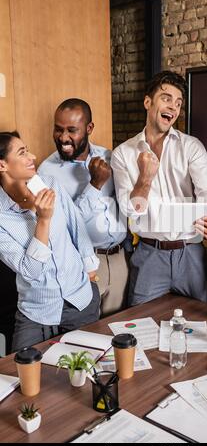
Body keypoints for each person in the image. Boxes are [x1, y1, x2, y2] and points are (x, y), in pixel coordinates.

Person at [111, 70, 207, 306]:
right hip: (149, 254)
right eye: (166, 98)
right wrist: (145, 178)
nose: (173, 107)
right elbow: (131, 210)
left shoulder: (191, 147)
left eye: (178, 103)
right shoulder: (123, 154)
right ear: (148, 102)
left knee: (200, 325)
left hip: (190, 253)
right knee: (139, 323)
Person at [0, 131, 101, 351]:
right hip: (36, 310)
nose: (32, 156)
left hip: (80, 300)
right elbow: (30, 270)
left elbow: (77, 226)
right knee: (23, 374)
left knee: (87, 372)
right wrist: (43, 220)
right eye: (23, 152)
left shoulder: (49, 184)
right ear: (2, 165)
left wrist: (90, 269)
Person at [38, 99, 128, 316]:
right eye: (58, 130)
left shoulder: (109, 157)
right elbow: (62, 227)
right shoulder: (46, 172)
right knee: (87, 333)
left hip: (119, 260)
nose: (63, 138)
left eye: (72, 130)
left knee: (119, 327)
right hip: (81, 265)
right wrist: (95, 185)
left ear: (89, 129)